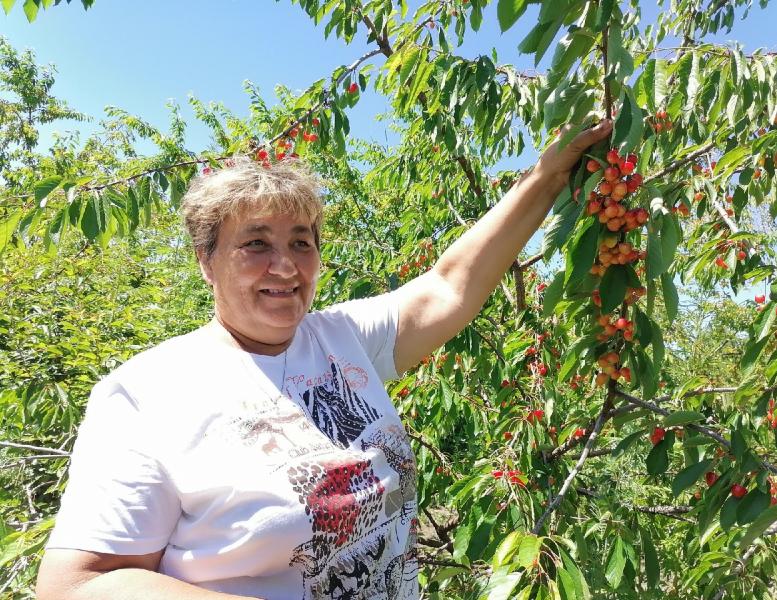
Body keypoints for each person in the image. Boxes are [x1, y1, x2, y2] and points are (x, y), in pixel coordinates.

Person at [35, 120, 612, 600]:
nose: (285, 266)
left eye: (301, 242)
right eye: (256, 243)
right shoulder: (148, 392)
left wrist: (548, 175)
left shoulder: (342, 339)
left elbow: (449, 286)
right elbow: (76, 586)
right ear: (207, 261)